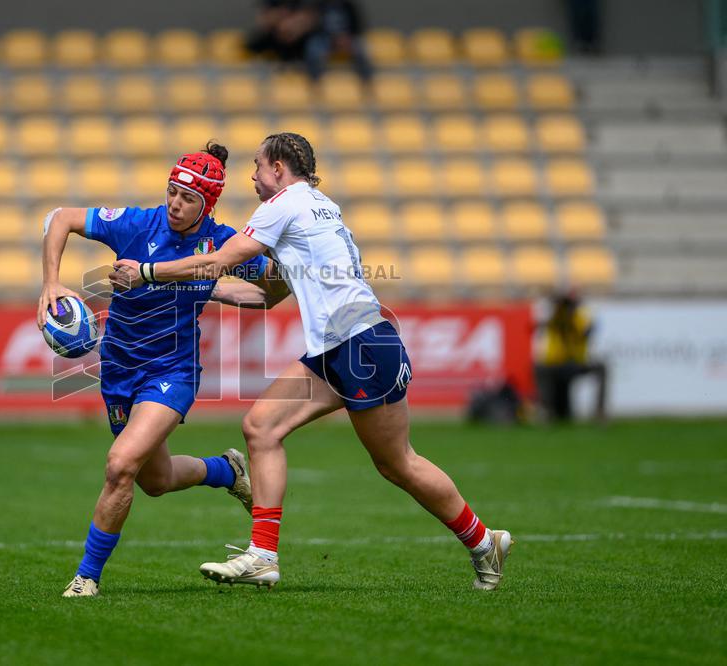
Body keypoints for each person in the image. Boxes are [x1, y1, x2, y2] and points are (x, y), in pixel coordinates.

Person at [111, 133, 512, 591]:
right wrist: (211, 288)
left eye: (258, 167)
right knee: (261, 427)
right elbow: (269, 285)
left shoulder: (282, 205)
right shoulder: (322, 205)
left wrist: (147, 272)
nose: (253, 178)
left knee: (397, 463)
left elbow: (216, 261)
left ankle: (484, 541)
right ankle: (262, 555)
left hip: (360, 346)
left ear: (279, 168)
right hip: (339, 346)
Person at [39, 142, 278, 598]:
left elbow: (270, 292)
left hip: (172, 370)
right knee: (155, 480)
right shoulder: (138, 223)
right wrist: (50, 282)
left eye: (188, 198)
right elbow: (60, 218)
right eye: (171, 192)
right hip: (119, 370)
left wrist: (218, 290)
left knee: (120, 465)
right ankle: (227, 471)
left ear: (207, 204)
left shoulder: (223, 243)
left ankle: (86, 577)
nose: (175, 203)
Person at [534, 290, 607, 422]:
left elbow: (589, 330)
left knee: (601, 367)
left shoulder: (579, 316)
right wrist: (557, 306)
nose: (567, 308)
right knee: (539, 367)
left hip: (576, 363)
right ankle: (546, 412)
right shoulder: (554, 316)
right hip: (556, 364)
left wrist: (575, 311)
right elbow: (540, 325)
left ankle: (599, 413)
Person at [304, 0, 373, 84]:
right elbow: (313, 28)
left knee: (361, 47)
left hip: (347, 38)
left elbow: (357, 27)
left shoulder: (349, 6)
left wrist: (346, 39)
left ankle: (366, 83)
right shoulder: (318, 6)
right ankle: (315, 82)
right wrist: (333, 40)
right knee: (312, 47)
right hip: (324, 40)